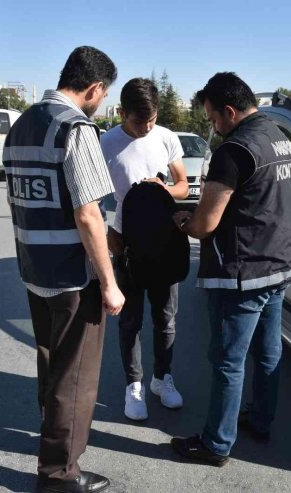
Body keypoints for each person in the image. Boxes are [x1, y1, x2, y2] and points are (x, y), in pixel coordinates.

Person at [2, 46, 122, 493]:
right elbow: (89, 215)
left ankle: (53, 438)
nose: (102, 102)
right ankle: (59, 475)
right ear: (94, 88)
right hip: (74, 276)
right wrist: (109, 283)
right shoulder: (75, 128)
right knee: (75, 378)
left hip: (35, 269)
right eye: (103, 95)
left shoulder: (21, 126)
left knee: (52, 367)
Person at [170, 72, 291, 466]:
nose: (212, 127)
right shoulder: (282, 137)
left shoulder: (235, 150)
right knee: (268, 352)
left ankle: (216, 444)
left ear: (229, 111)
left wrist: (181, 220)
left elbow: (206, 223)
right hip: (281, 265)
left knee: (228, 360)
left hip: (243, 272)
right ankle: (260, 420)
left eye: (212, 119)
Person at [100, 78, 189, 421]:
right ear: (122, 112)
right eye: (139, 122)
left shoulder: (166, 137)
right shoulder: (106, 143)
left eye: (152, 120)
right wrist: (108, 231)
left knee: (166, 318)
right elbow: (91, 197)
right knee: (131, 320)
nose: (146, 127)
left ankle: (162, 379)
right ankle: (133, 385)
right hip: (126, 243)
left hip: (165, 242)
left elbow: (182, 185)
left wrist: (164, 188)